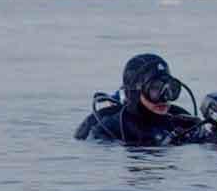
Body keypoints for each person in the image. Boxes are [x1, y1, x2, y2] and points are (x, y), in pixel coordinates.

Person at [75, 53, 204, 145]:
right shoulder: (112, 127)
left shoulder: (180, 119)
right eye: (155, 89)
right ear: (135, 92)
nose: (164, 97)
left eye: (171, 89)